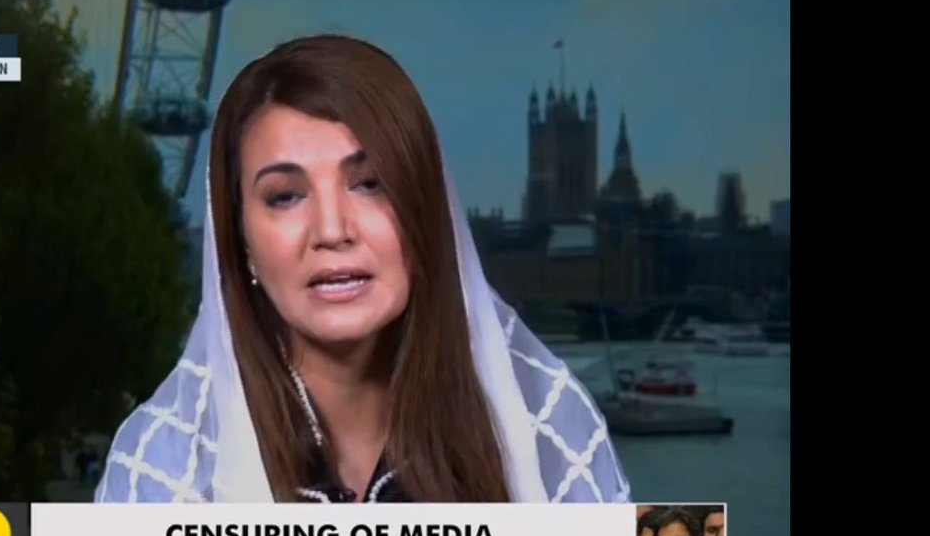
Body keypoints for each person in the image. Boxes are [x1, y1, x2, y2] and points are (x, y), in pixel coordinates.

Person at [95, 34, 631, 503]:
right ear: (241, 244)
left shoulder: (551, 431)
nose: (332, 230)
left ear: (426, 210)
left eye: (370, 184)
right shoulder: (163, 467)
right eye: (285, 196)